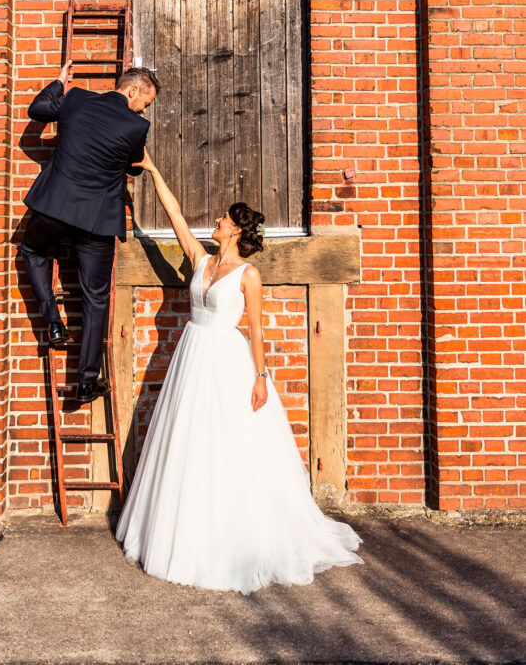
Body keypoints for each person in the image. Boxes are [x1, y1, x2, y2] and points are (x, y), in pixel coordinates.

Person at [115, 149, 364, 594]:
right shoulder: (201, 261)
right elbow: (172, 216)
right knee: (187, 441)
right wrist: (153, 170)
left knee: (228, 444)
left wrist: (260, 377)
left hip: (228, 361)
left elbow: (255, 329)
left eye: (225, 219)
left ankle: (231, 537)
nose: (217, 222)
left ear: (237, 229)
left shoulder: (248, 275)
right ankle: (182, 533)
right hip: (192, 357)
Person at [19, 62, 159, 403]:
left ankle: (53, 322)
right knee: (95, 298)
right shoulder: (136, 126)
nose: (145, 108)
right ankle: (86, 381)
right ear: (132, 91)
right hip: (97, 220)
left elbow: (36, 111)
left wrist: (58, 83)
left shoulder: (76, 99)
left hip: (54, 207)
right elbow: (132, 166)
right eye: (147, 101)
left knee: (33, 250)